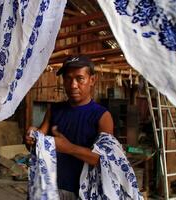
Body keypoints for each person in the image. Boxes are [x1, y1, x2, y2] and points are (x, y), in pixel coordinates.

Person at [25, 55, 114, 199]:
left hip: (82, 192)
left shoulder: (102, 116)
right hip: (49, 188)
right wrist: (31, 136)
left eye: (80, 79)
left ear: (92, 80)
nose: (73, 85)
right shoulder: (54, 110)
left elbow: (104, 160)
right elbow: (37, 142)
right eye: (68, 79)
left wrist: (68, 148)